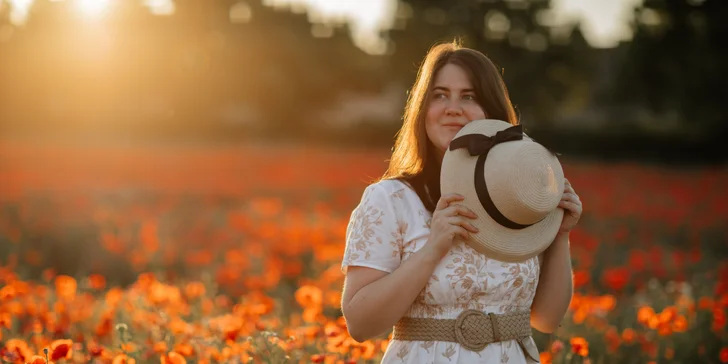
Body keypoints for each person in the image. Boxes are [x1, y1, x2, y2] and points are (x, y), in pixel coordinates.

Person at [339, 41, 583, 363]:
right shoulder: (391, 199)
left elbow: (546, 319)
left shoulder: (520, 200)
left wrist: (560, 234)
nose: (453, 108)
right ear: (423, 109)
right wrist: (433, 248)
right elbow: (360, 323)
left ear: (491, 112)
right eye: (440, 95)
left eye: (468, 96)